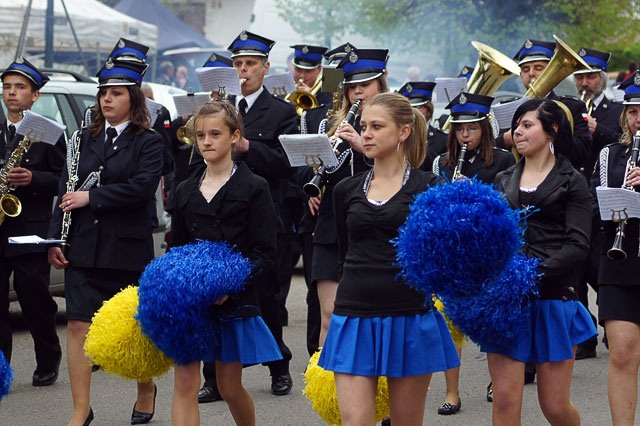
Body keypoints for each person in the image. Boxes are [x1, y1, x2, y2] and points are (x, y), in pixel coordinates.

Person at [318, 92, 459, 425]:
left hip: (408, 315)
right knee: (355, 421)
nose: (366, 134)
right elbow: (344, 252)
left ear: (403, 132)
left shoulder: (430, 187)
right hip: (354, 315)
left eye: (377, 127)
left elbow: (443, 256)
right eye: (363, 126)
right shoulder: (345, 190)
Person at [47, 39, 163, 426]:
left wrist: (91, 198)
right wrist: (56, 238)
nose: (107, 100)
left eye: (116, 93)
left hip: (126, 247)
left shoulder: (149, 141)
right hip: (83, 246)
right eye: (103, 93)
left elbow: (141, 188)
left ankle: (145, 388)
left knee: (134, 327)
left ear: (133, 98)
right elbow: (66, 190)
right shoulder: (82, 139)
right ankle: (81, 409)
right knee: (78, 325)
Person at [197, 30, 298, 403]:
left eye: (250, 64)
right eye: (238, 63)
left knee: (265, 299)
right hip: (220, 213)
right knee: (212, 301)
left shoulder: (282, 112)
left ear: (265, 68)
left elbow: (286, 163)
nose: (243, 70)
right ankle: (213, 379)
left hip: (261, 214)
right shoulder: (219, 109)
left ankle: (279, 367)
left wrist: (247, 145)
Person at [170, 101, 282, 426]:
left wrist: (228, 286)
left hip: (232, 299)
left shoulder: (255, 186)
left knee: (229, 387)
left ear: (234, 136)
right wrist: (177, 286)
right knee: (185, 384)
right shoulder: (184, 189)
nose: (206, 141)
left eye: (215, 134)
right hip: (191, 301)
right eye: (200, 135)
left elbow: (265, 253)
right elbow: (177, 250)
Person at [489, 99, 596, 426]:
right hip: (507, 303)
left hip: (553, 298)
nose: (517, 132)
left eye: (527, 125)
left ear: (552, 130)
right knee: (505, 400)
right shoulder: (503, 178)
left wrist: (530, 273)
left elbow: (578, 246)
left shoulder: (572, 180)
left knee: (555, 406)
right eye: (516, 126)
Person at [431, 92, 515, 415]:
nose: (465, 135)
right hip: (454, 251)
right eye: (460, 129)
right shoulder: (442, 162)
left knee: (491, 320)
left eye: (472, 129)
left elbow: (509, 206)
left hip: (489, 249)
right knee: (451, 323)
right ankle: (452, 392)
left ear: (485, 129)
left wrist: (476, 193)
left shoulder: (504, 160)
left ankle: (497, 379)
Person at [308, 48, 390, 350]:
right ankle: (324, 378)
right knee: (329, 313)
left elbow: (403, 169)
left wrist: (361, 146)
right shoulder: (330, 123)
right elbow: (309, 167)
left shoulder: (395, 124)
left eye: (365, 84)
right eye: (352, 86)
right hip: (331, 224)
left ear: (380, 84)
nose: (358, 91)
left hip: (372, 222)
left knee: (368, 315)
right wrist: (314, 182)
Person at [0, 57, 64, 388]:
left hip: (30, 230)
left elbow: (63, 180)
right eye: (7, 86)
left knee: (35, 300)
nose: (11, 92)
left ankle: (48, 359)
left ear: (35, 95)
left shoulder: (49, 133)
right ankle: (2, 370)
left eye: (20, 87)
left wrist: (33, 179)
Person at [591, 70, 640, 426]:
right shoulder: (610, 155)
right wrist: (617, 201)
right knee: (622, 354)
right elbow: (591, 206)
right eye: (633, 112)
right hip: (619, 262)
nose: (639, 120)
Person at [573, 47, 623, 360]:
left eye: (590, 76)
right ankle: (585, 336)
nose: (585, 82)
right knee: (575, 272)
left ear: (602, 78)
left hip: (603, 199)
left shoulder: (616, 109)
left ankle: (613, 322)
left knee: (599, 268)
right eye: (580, 77)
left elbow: (623, 141)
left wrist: (597, 129)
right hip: (575, 198)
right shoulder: (571, 109)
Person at [500, 39, 593, 180]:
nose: (531, 73)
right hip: (516, 181)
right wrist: (505, 139)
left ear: (550, 70)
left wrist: (546, 137)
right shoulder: (509, 107)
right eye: (525, 69)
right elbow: (491, 150)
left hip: (559, 183)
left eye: (538, 68)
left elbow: (583, 151)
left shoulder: (572, 107)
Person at [398, 81, 448, 171]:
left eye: (418, 107)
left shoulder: (443, 140)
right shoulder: (398, 137)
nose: (413, 111)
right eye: (409, 108)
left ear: (428, 109)